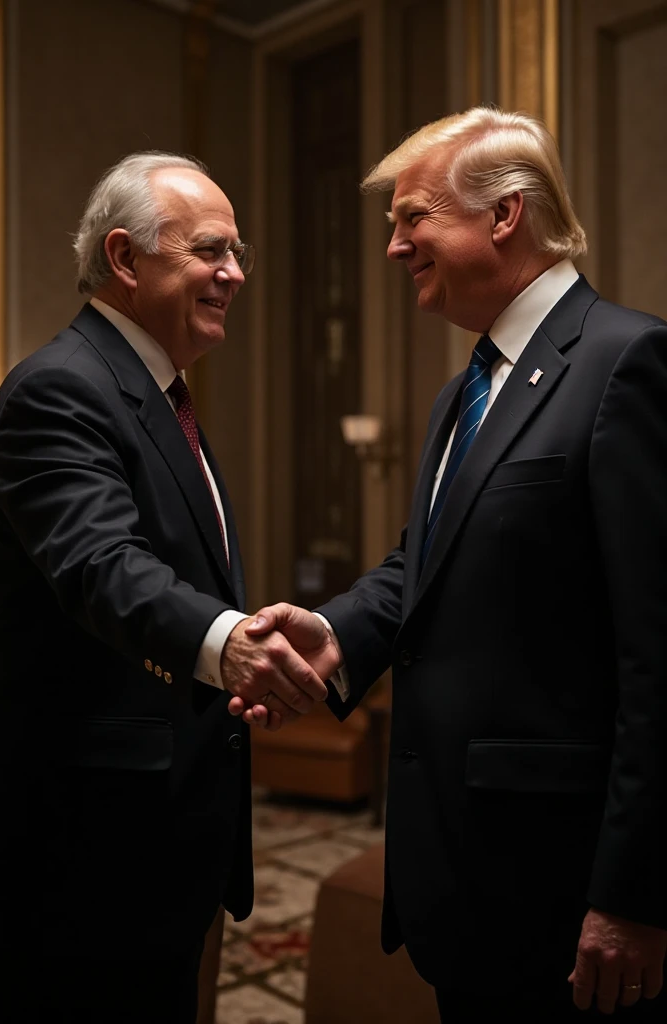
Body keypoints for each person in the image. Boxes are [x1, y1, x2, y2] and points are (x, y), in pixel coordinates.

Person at [230, 108, 667, 1021]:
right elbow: (421, 565)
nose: (395, 246)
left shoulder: (628, 362)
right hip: (462, 881)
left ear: (504, 215)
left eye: (412, 217)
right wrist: (335, 636)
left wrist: (634, 893)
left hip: (562, 884)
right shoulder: (461, 391)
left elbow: (659, 654)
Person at [0, 152, 331, 1023]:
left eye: (239, 252)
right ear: (127, 259)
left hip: (162, 839)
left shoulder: (154, 390)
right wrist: (234, 647)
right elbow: (105, 565)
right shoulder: (60, 389)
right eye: (212, 249)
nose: (236, 274)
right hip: (88, 852)